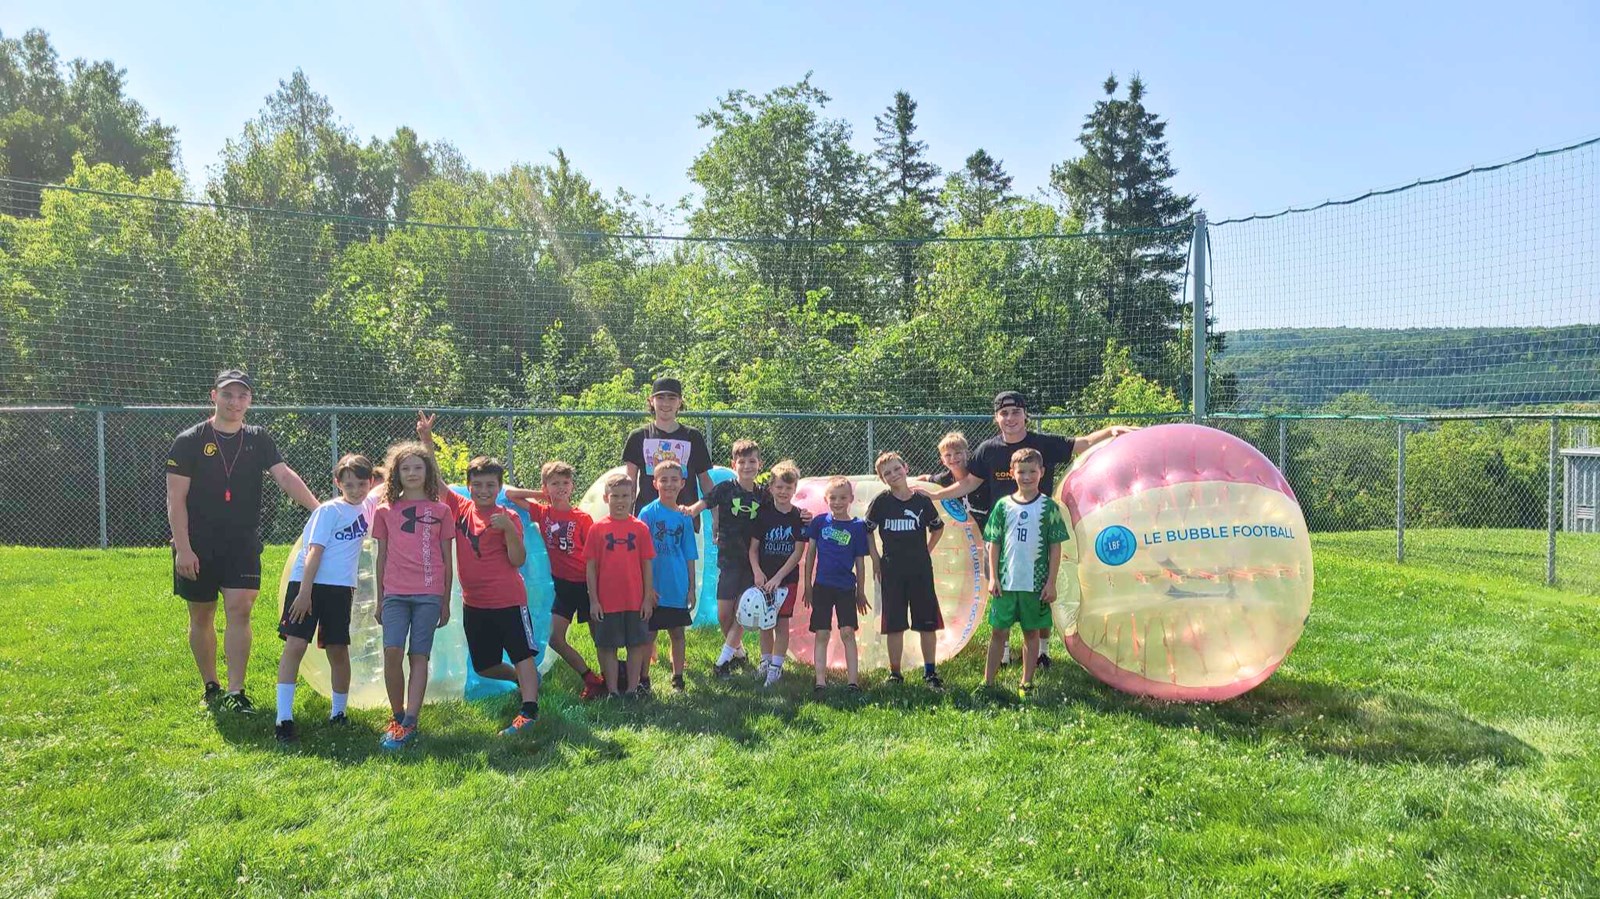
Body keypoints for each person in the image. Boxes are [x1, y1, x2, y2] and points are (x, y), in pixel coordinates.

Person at [925, 391, 1132, 669]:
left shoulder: (1042, 444)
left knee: (1042, 592)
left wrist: (1110, 431)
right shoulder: (988, 450)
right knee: (1002, 593)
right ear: (996, 418)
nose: (1010, 419)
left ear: (1025, 415)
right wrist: (935, 495)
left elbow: (1081, 444)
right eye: (1004, 414)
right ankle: (1007, 651)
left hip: (1039, 535)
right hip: (1002, 539)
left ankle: (1043, 651)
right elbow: (967, 484)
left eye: (1015, 413)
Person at [166, 368, 320, 714]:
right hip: (197, 544)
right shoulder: (189, 441)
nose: (235, 402)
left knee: (240, 609)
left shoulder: (258, 438)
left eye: (242, 395)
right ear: (214, 396)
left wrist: (318, 509)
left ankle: (236, 690)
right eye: (228, 394)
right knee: (202, 615)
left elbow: (284, 475)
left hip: (242, 542)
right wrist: (184, 548)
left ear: (249, 400)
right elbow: (175, 500)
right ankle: (211, 686)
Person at [273, 454, 382, 743]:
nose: (355, 490)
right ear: (338, 484)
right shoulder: (329, 511)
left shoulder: (369, 504)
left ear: (370, 483)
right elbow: (314, 553)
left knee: (337, 649)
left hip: (339, 589)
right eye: (348, 485)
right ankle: (283, 719)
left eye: (361, 484)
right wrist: (304, 593)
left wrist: (424, 439)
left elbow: (398, 471)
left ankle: (338, 713)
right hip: (308, 584)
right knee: (295, 645)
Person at [440, 455, 543, 737]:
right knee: (485, 665)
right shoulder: (460, 508)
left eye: (490, 485)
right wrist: (426, 438)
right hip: (475, 604)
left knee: (523, 655)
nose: (483, 490)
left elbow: (517, 559)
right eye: (477, 485)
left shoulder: (508, 517)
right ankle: (525, 680)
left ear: (499, 487)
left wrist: (509, 530)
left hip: (509, 601)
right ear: (468, 486)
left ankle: (529, 711)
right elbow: (435, 481)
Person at [371, 441, 454, 750]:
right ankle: (397, 714)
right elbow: (380, 557)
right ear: (396, 474)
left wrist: (444, 600)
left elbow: (447, 558)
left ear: (428, 472)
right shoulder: (385, 510)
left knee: (419, 655)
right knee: (392, 652)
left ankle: (411, 722)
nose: (412, 473)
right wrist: (380, 598)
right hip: (395, 593)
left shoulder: (441, 511)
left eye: (418, 467)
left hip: (429, 594)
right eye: (405, 468)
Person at [502, 460, 606, 700]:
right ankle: (590, 678)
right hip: (563, 586)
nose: (561, 488)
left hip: (586, 585)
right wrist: (542, 494)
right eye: (554, 483)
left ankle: (610, 679)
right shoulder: (543, 512)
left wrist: (597, 594)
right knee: (556, 640)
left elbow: (593, 558)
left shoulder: (582, 518)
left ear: (572, 487)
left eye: (565, 483)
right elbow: (510, 494)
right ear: (545, 486)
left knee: (598, 636)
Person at [982, 448, 1070, 694]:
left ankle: (1027, 682)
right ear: (1012, 473)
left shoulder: (1048, 507)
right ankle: (987, 682)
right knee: (999, 631)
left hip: (1035, 584)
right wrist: (994, 577)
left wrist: (1051, 582)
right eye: (1021, 471)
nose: (1027, 476)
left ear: (1041, 473)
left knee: (1031, 632)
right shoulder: (1003, 506)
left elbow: (1055, 547)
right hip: (1006, 584)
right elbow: (994, 543)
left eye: (1032, 471)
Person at [684, 439, 766, 677]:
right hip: (728, 560)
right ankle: (739, 653)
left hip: (753, 563)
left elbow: (782, 510)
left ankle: (723, 660)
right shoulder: (726, 489)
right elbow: (704, 502)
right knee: (724, 614)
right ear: (734, 464)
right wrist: (690, 511)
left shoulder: (764, 495)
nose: (747, 466)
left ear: (760, 464)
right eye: (742, 462)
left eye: (752, 461)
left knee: (742, 611)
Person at [867, 452, 946, 690]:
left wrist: (926, 550)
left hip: (920, 570)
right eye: (886, 473)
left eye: (896, 469)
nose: (893, 475)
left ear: (906, 468)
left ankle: (930, 672)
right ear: (882, 479)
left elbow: (937, 528)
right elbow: (867, 530)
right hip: (892, 570)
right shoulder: (881, 502)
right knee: (894, 623)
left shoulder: (921, 502)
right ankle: (895, 673)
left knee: (927, 621)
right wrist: (875, 559)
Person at [584, 473, 656, 696]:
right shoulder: (597, 529)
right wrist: (594, 601)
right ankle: (613, 690)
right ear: (606, 498)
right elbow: (591, 568)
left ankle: (632, 689)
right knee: (608, 646)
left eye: (625, 496)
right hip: (607, 602)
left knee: (636, 645)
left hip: (635, 601)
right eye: (615, 496)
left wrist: (646, 598)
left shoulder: (640, 528)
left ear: (632, 497)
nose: (620, 501)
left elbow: (647, 566)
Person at [801, 477, 871, 693]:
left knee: (847, 632)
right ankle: (820, 681)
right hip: (822, 586)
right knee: (822, 633)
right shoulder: (820, 522)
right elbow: (810, 554)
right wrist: (808, 585)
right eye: (833, 498)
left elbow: (860, 562)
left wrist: (860, 591)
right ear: (826, 499)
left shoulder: (858, 526)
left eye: (842, 498)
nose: (838, 502)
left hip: (845, 589)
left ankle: (853, 682)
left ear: (851, 499)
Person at [638, 460, 698, 692]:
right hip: (654, 586)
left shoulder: (684, 516)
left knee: (677, 633)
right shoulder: (648, 513)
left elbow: (690, 554)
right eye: (664, 479)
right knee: (649, 634)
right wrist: (646, 588)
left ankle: (678, 678)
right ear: (655, 483)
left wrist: (691, 587)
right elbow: (641, 553)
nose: (669, 484)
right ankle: (644, 679)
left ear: (682, 484)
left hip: (676, 584)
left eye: (674, 480)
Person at [748, 460, 806, 688]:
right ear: (771, 488)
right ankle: (765, 662)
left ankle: (776, 668)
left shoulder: (799, 517)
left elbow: (797, 552)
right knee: (765, 623)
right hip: (764, 579)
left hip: (786, 580)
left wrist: (778, 578)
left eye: (788, 488)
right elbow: (753, 549)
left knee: (781, 624)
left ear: (795, 489)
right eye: (779, 487)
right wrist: (758, 572)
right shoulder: (762, 515)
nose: (783, 492)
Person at [622, 377, 714, 515]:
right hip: (647, 521)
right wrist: (626, 519)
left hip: (685, 518)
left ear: (679, 402)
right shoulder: (638, 436)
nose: (665, 403)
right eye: (660, 397)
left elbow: (705, 481)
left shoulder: (693, 436)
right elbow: (630, 483)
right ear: (651, 401)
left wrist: (716, 516)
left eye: (671, 398)